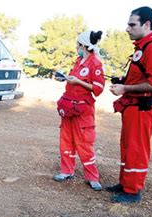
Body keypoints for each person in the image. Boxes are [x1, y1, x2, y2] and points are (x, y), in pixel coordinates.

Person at [108, 6, 152, 203]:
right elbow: (142, 75)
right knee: (128, 146)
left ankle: (133, 191)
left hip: (143, 107)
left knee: (137, 148)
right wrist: (123, 81)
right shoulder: (142, 46)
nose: (127, 29)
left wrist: (125, 89)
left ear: (146, 24)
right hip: (134, 107)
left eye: (132, 24)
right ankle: (125, 183)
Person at [52, 30, 105, 191]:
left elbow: (99, 88)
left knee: (84, 142)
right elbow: (73, 79)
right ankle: (66, 171)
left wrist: (79, 82)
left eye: (78, 44)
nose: (76, 47)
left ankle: (92, 177)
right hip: (69, 107)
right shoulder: (79, 61)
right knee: (66, 139)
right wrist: (65, 78)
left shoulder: (95, 63)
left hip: (83, 109)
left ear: (84, 45)